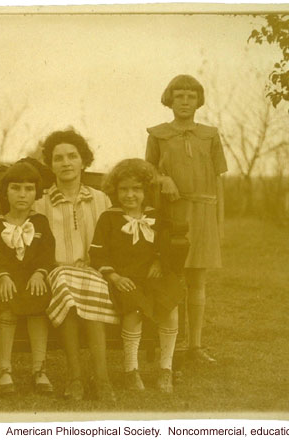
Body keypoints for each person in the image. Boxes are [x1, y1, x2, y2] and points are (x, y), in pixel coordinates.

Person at [146, 74, 228, 364]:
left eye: (190, 96)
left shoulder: (210, 135)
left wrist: (219, 223)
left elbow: (218, 180)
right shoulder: (158, 134)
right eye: (178, 95)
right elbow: (148, 171)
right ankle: (167, 344)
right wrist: (162, 177)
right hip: (172, 213)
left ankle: (195, 346)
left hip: (203, 213)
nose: (184, 101)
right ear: (169, 99)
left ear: (198, 101)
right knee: (170, 277)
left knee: (198, 280)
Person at [33, 129, 118, 402]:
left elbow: (109, 242)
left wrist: (95, 265)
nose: (66, 163)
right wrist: (59, 266)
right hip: (57, 271)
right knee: (68, 287)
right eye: (58, 158)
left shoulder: (101, 199)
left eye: (72, 156)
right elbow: (39, 247)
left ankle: (102, 379)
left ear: (84, 161)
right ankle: (75, 377)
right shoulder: (41, 203)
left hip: (94, 271)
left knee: (88, 286)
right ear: (51, 164)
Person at [89, 159, 184, 393]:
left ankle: (166, 369)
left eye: (136, 189)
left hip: (153, 276)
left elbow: (165, 244)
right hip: (125, 278)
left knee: (171, 305)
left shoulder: (156, 216)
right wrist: (114, 277)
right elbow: (97, 254)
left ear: (145, 191)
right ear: (115, 190)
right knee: (133, 309)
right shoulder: (109, 218)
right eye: (124, 189)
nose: (130, 195)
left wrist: (159, 261)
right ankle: (131, 369)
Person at [0, 161, 56, 396]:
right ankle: (5, 369)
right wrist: (3, 276)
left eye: (28, 189)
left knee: (39, 299)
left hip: (33, 278)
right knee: (5, 302)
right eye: (16, 188)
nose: (22, 194)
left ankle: (39, 369)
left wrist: (40, 273)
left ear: (36, 193)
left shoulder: (40, 223)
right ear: (6, 191)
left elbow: (47, 253)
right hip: (8, 279)